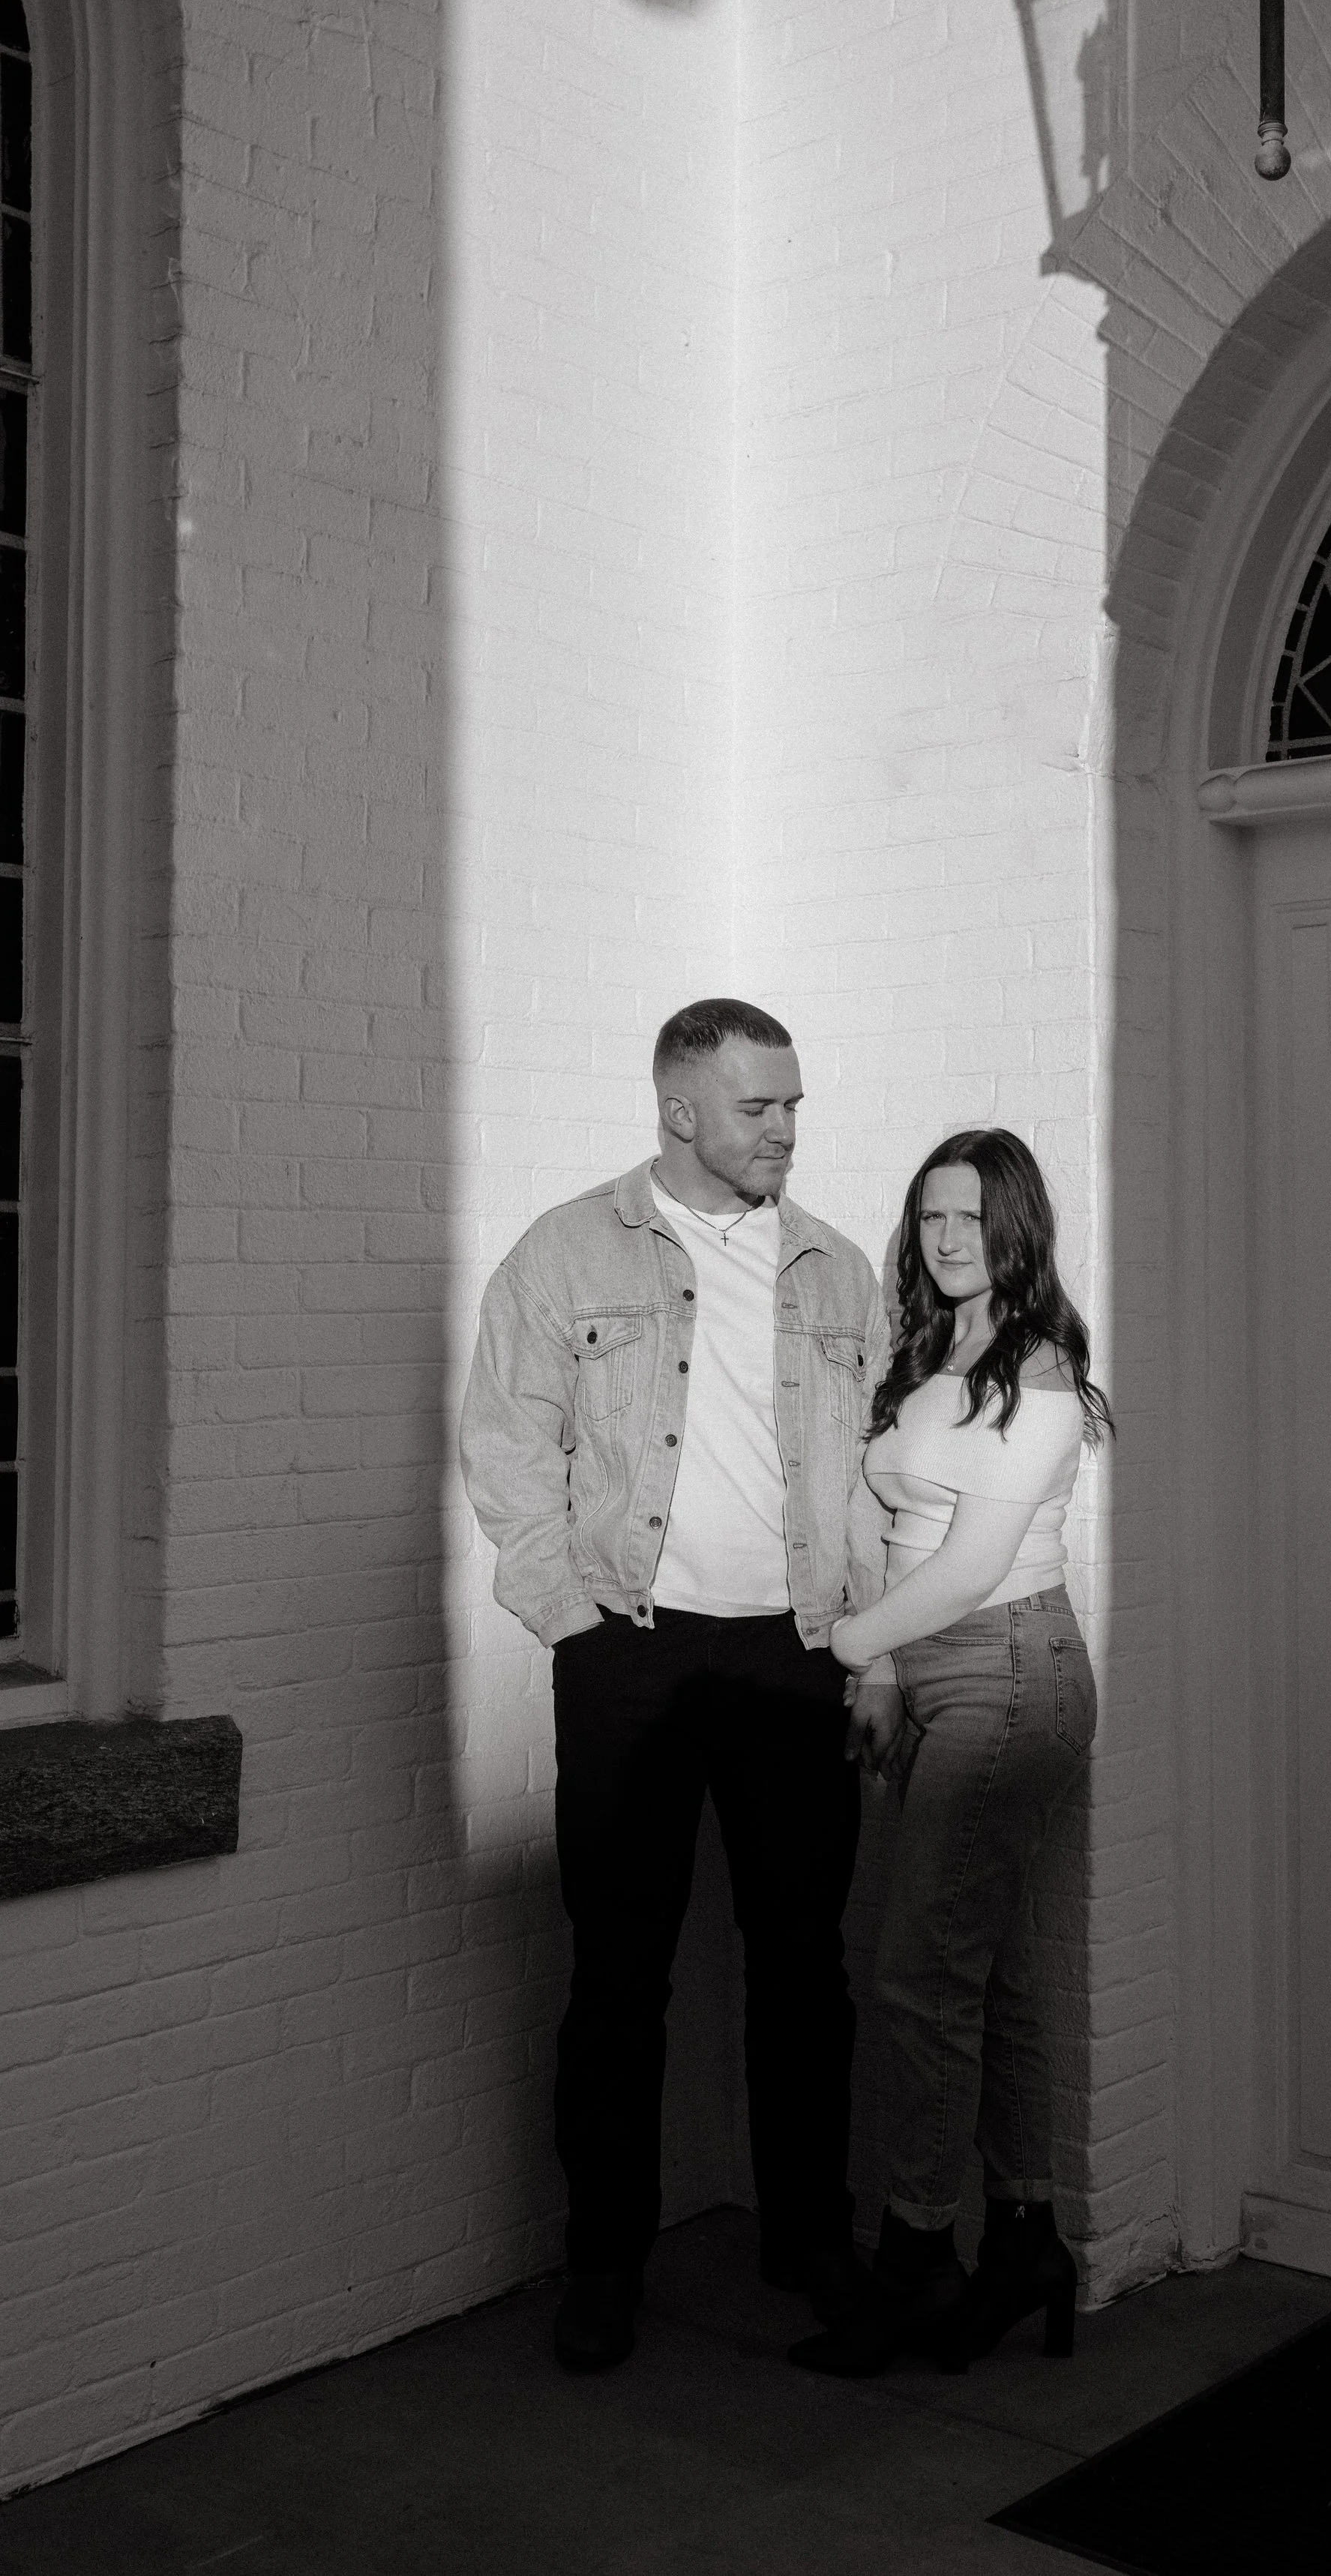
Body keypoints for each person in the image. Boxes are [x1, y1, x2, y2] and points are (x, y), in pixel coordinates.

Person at [459, 999, 904, 2374]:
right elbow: (507, 1439)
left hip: (795, 1649)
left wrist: (874, 1641)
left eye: (792, 1105)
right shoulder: (566, 1250)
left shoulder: (836, 1270)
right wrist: (573, 1621)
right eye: (759, 1107)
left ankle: (809, 2233)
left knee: (803, 1963)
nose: (785, 1129)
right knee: (617, 1972)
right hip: (633, 1649)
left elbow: (881, 1477)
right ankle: (607, 2262)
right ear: (679, 1111)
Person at [789, 1128, 1111, 2379]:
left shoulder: (1041, 1368)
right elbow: (881, 1518)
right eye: (930, 1215)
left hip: (1009, 1671)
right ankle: (1025, 2238)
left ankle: (916, 2258)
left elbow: (972, 1564)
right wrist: (877, 1667)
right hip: (921, 1670)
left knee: (919, 1974)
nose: (947, 1236)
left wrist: (843, 1643)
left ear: (1017, 1223)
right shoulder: (921, 1350)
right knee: (992, 1974)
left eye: (972, 1214)